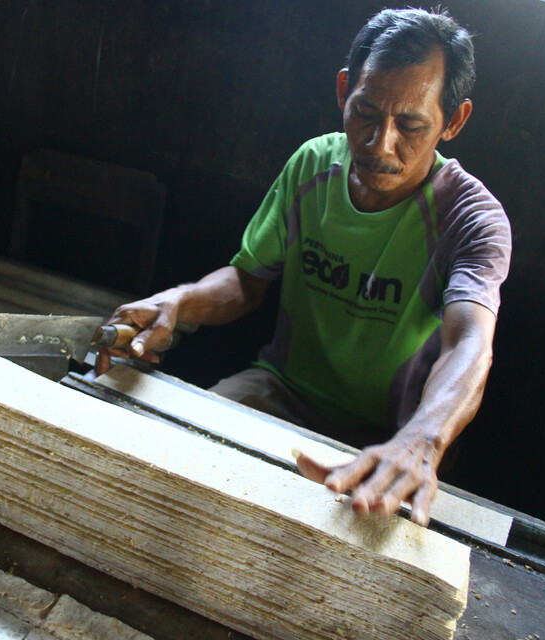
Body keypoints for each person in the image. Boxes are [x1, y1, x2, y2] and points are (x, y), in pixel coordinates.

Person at [95, 8, 511, 527]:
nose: (381, 144)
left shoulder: (470, 218)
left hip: (396, 433)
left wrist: (423, 439)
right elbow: (247, 281)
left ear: (453, 121)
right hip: (282, 393)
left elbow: (470, 344)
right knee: (164, 471)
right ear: (343, 92)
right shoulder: (313, 166)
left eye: (410, 125)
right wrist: (178, 302)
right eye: (365, 113)